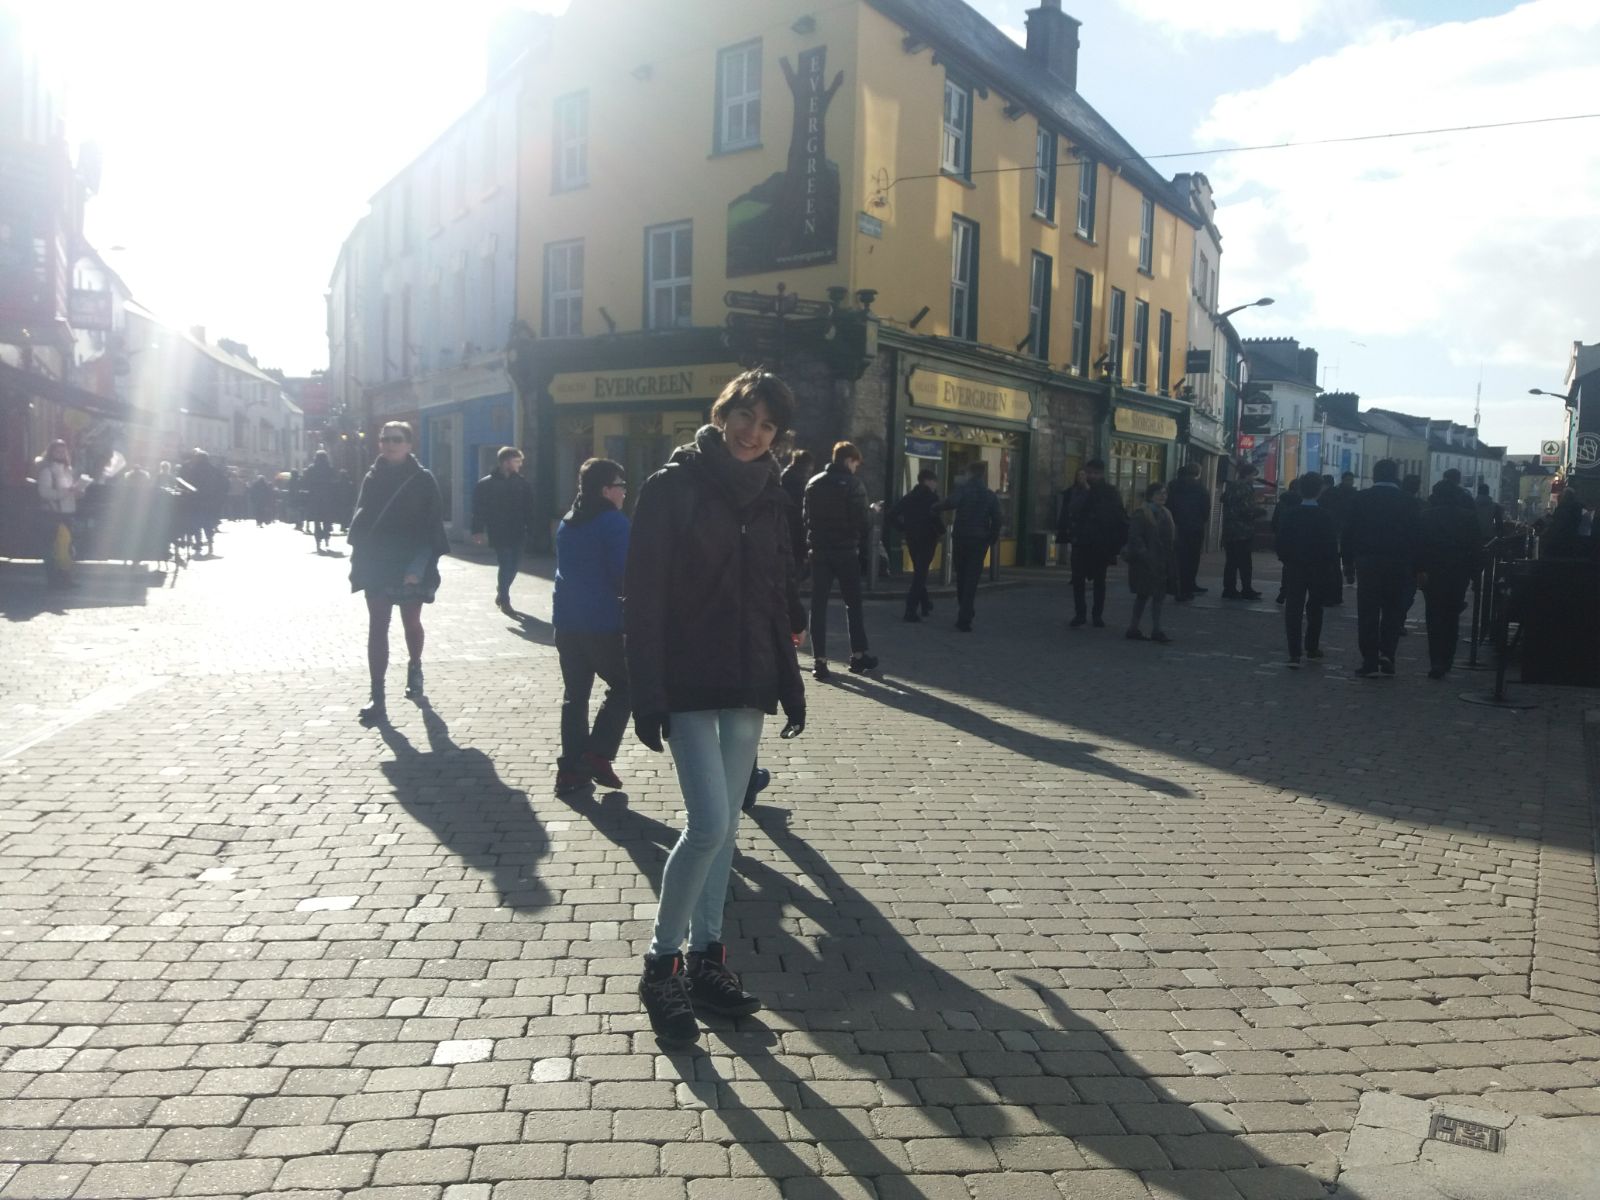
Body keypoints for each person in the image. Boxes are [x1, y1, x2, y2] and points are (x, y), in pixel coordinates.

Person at [623, 369, 806, 1049]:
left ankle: (707, 959)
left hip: (749, 678)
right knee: (706, 824)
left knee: (727, 829)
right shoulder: (672, 487)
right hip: (689, 678)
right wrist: (647, 692)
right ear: (723, 413)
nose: (753, 433)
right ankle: (660, 967)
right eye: (745, 416)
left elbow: (779, 588)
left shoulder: (775, 495)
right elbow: (642, 597)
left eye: (767, 425)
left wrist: (790, 676)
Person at [347, 422, 449, 725]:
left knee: (411, 622)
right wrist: (359, 559)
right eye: (385, 439)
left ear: (408, 444)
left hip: (409, 564)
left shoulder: (423, 479)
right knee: (378, 625)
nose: (389, 444)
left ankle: (415, 667)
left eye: (396, 439)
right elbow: (362, 518)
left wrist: (418, 566)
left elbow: (432, 527)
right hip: (377, 563)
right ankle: (377, 696)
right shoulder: (372, 476)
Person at [552, 458, 631, 795]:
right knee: (627, 685)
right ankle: (597, 754)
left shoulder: (569, 520)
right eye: (621, 486)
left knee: (575, 697)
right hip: (601, 623)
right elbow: (624, 574)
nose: (625, 492)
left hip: (566, 621)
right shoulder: (613, 523)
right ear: (605, 489)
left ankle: (570, 771)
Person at [803, 441, 876, 677]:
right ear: (848, 460)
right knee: (853, 604)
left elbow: (806, 518)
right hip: (845, 552)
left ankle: (820, 661)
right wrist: (872, 512)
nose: (856, 468)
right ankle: (858, 656)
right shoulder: (853, 484)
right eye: (856, 463)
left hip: (819, 552)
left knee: (818, 606)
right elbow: (862, 521)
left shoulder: (813, 483)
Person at [1342, 458, 1421, 678]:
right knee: (1393, 610)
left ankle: (1369, 659)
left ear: (1374, 475)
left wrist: (1347, 562)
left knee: (1368, 611)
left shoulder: (1361, 498)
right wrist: (1417, 566)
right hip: (1399, 562)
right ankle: (1388, 653)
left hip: (1368, 561)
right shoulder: (1409, 502)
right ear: (1395, 476)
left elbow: (1348, 532)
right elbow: (1417, 536)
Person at [1418, 478, 1484, 680]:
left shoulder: (1426, 516)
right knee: (1451, 615)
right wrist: (1475, 574)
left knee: (1434, 616)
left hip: (1433, 571)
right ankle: (1447, 657)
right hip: (1458, 571)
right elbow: (1477, 548)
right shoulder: (1468, 517)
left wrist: (1419, 569)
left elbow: (1419, 546)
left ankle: (1436, 660)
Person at [1276, 473, 1341, 668]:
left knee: (1293, 608)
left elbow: (1281, 540)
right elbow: (1331, 545)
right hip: (1319, 567)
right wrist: (1331, 565)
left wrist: (1286, 559)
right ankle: (1312, 646)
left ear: (1299, 490)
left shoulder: (1290, 514)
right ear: (1320, 491)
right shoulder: (1326, 516)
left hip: (1295, 566)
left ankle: (1294, 652)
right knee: (1315, 607)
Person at [471, 446, 537, 616]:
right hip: (499, 531)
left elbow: (529, 509)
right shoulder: (486, 484)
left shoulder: (522, 484)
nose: (520, 465)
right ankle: (505, 600)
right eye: (517, 461)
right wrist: (477, 530)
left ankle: (502, 590)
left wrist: (532, 529)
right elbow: (479, 510)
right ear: (506, 462)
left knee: (514, 566)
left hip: (518, 531)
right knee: (505, 563)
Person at [938, 460, 1002, 633]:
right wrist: (992, 537)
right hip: (979, 540)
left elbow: (950, 503)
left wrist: (935, 507)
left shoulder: (963, 490)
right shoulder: (989, 495)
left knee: (961, 576)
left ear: (970, 473)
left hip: (962, 537)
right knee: (972, 579)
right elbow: (997, 518)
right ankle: (965, 614)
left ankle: (964, 610)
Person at [1066, 459, 1127, 628]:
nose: (1091, 476)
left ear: (1101, 473)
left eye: (1095, 473)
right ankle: (1080, 614)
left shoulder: (1109, 492)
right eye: (1089, 473)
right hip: (1081, 541)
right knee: (1078, 580)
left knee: (1100, 580)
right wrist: (1085, 492)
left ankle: (1097, 615)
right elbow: (1072, 509)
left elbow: (1115, 515)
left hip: (1101, 542)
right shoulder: (1080, 490)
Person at [1124, 481, 1177, 643]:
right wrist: (1145, 554)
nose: (1162, 496)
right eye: (1159, 493)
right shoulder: (1141, 513)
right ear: (1150, 496)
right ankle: (1134, 628)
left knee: (1159, 597)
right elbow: (1135, 537)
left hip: (1162, 561)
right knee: (1143, 595)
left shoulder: (1166, 513)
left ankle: (1156, 629)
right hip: (1144, 563)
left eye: (1164, 493)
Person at [889, 467, 943, 623]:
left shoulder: (909, 497)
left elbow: (891, 514)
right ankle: (910, 610)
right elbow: (935, 518)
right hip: (928, 538)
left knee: (920, 571)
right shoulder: (932, 498)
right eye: (934, 481)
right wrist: (941, 531)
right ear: (927, 481)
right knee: (921, 574)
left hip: (912, 538)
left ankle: (925, 603)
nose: (935, 485)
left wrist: (903, 527)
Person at [35, 439, 88, 588]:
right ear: (51, 452)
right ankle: (55, 580)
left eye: (63, 451)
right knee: (56, 549)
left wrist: (79, 491)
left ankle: (65, 579)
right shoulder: (47, 471)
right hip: (53, 514)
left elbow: (71, 492)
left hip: (68, 513)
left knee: (67, 548)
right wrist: (66, 492)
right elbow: (44, 493)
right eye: (57, 451)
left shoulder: (68, 470)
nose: (61, 454)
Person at [1164, 462, 1210, 601]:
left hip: (1176, 527)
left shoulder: (1172, 487)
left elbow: (1168, 505)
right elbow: (1205, 510)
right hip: (1195, 528)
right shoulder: (1200, 488)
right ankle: (1188, 587)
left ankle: (1178, 587)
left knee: (1178, 559)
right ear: (1197, 473)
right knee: (1192, 559)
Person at [1221, 462, 1263, 599]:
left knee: (1231, 562)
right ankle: (1246, 589)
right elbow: (1246, 510)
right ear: (1247, 474)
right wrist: (1259, 512)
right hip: (1243, 531)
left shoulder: (1231, 487)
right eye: (1253, 475)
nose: (1254, 478)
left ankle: (1229, 589)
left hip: (1229, 530)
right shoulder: (1245, 488)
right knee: (1245, 563)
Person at [179, 450, 227, 555]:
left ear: (198, 458)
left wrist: (187, 494)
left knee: (196, 523)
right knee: (208, 524)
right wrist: (219, 497)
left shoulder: (194, 470)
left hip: (196, 501)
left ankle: (198, 542)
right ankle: (210, 544)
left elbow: (188, 484)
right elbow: (225, 484)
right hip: (210, 502)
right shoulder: (214, 470)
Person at [779, 449, 813, 576]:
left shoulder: (787, 475)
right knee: (796, 552)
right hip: (795, 522)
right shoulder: (798, 479)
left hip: (789, 520)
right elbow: (800, 501)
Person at [1269, 477, 1302, 605]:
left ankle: (1284, 591)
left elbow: (1274, 522)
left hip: (1283, 539)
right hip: (1298, 539)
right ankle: (1293, 593)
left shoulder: (1281, 502)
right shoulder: (1302, 503)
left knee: (1287, 566)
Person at [302, 449, 341, 552]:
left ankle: (318, 540)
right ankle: (326, 536)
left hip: (314, 497)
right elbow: (335, 482)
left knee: (317, 520)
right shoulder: (329, 468)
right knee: (327, 519)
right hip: (327, 497)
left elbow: (305, 481)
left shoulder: (311, 468)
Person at [1055, 468, 1089, 583]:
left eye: (1083, 475)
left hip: (1086, 526)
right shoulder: (1072, 491)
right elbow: (1066, 508)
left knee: (1084, 553)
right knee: (1075, 552)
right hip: (1074, 525)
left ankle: (1082, 574)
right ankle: (1075, 575)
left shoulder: (1090, 491)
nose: (1081, 477)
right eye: (1079, 475)